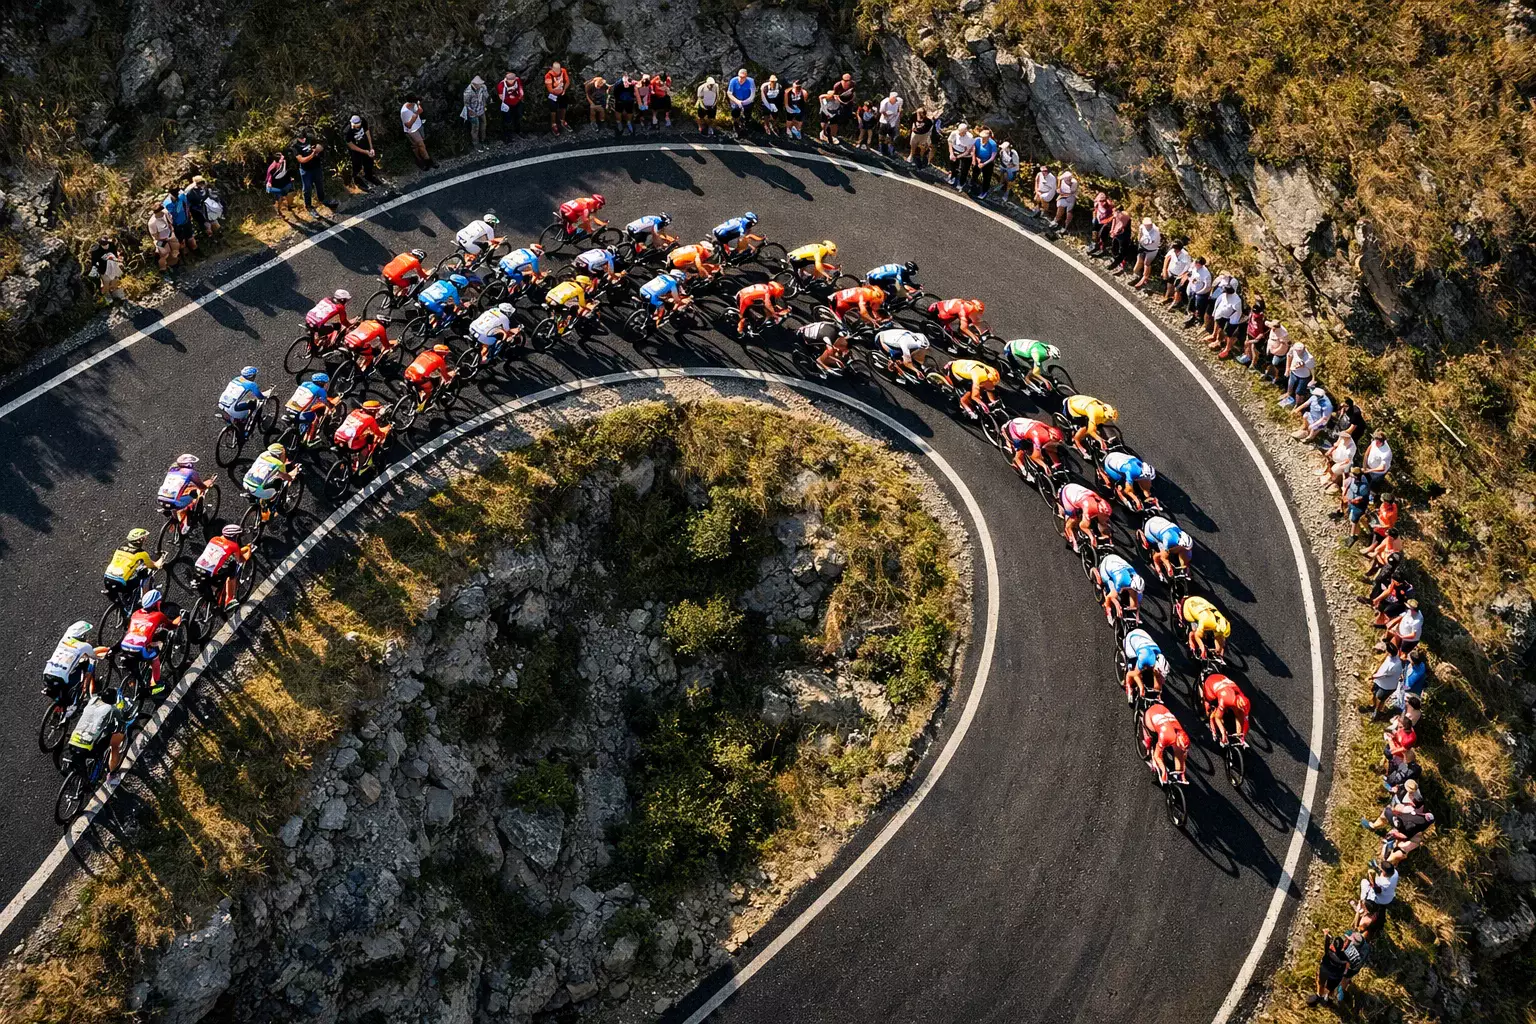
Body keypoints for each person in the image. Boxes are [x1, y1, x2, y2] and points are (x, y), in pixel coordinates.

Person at [66, 684, 134, 782]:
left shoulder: (92, 701)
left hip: (73, 741)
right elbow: (121, 721)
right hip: (87, 746)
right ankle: (111, 775)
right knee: (109, 747)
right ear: (113, 701)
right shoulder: (112, 709)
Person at [121, 589, 179, 697]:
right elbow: (171, 626)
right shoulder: (158, 615)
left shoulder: (135, 613)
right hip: (139, 649)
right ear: (155, 603)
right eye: (159, 601)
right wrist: (179, 619)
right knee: (155, 661)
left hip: (125, 645)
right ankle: (155, 686)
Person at [193, 524, 252, 609]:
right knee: (233, 569)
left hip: (198, 566)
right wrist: (248, 550)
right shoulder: (234, 545)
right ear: (234, 536)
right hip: (210, 572)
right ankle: (229, 600)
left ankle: (210, 595)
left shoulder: (214, 539)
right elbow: (240, 559)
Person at [1309, 930, 1369, 1007]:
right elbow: (1353, 967)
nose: (1347, 941)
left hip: (1335, 969)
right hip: (1342, 972)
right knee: (1335, 985)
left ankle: (1321, 996)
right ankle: (1331, 997)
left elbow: (1329, 950)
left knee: (1322, 981)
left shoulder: (1341, 952)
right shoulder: (1364, 950)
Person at [45, 621, 104, 698]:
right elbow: (94, 656)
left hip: (46, 674)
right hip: (60, 679)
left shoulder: (64, 640)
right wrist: (103, 656)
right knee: (80, 677)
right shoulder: (85, 646)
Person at [103, 528, 165, 599]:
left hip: (107, 579)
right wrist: (162, 557)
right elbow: (154, 566)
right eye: (144, 538)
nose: (145, 539)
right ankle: (145, 599)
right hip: (120, 584)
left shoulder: (120, 548)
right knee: (145, 576)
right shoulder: (140, 553)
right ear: (139, 541)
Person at [1141, 702, 1190, 784]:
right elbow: (1158, 756)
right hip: (1150, 715)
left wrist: (1181, 773)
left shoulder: (1182, 733)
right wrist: (1163, 771)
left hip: (1161, 711)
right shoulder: (1166, 737)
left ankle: (1177, 774)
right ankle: (1148, 745)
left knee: (1179, 752)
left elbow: (1182, 755)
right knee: (1153, 738)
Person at [1057, 482, 1113, 552]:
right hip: (1067, 495)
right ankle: (1070, 539)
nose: (1107, 518)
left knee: (1099, 522)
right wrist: (1091, 537)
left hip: (1078, 491)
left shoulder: (1102, 501)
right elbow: (1082, 526)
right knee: (1072, 521)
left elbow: (1093, 494)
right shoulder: (1088, 509)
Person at [1201, 672, 1251, 746]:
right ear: (1237, 703)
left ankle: (1237, 735)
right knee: (1211, 712)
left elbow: (1245, 720)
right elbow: (1218, 718)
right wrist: (1223, 732)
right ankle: (1211, 727)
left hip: (1222, 680)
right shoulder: (1226, 699)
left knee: (1239, 713)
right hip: (1211, 684)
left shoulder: (1245, 701)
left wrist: (1242, 736)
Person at [284, 372, 336, 443]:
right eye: (326, 383)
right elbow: (325, 401)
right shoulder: (320, 390)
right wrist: (331, 408)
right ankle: (311, 438)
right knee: (313, 417)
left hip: (289, 408)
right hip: (299, 414)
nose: (327, 385)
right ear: (321, 383)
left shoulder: (305, 383)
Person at [1093, 552, 1144, 623]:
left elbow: (1138, 601)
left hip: (1115, 560)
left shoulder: (1135, 576)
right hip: (1106, 567)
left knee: (1133, 593)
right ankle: (1107, 609)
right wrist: (1117, 605)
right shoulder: (1120, 581)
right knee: (1111, 594)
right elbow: (1112, 597)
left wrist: (1136, 613)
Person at [1138, 513, 1193, 580]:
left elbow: (1185, 549)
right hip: (1150, 530)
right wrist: (1168, 566)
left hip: (1160, 524)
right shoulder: (1168, 540)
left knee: (1180, 552)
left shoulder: (1181, 533)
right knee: (1160, 556)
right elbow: (1164, 556)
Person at [242, 443, 296, 509]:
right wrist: (291, 478)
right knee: (279, 481)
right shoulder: (279, 464)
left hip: (245, 483)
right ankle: (268, 500)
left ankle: (253, 497)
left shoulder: (262, 455)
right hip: (261, 492)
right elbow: (285, 477)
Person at [1121, 628, 1167, 704]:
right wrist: (1141, 686)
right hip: (1131, 639)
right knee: (1133, 669)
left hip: (1142, 638)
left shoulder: (1158, 656)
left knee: (1154, 675)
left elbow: (1158, 679)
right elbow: (1135, 674)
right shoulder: (1144, 658)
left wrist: (1157, 693)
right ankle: (1128, 686)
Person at [1181, 594, 1231, 661]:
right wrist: (1202, 649)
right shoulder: (1207, 622)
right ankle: (1191, 640)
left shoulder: (1221, 619)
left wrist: (1219, 650)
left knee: (1217, 635)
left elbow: (1219, 637)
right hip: (1188, 608)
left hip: (1198, 600)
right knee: (1195, 631)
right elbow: (1197, 636)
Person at [292, 128, 328, 215]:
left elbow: (319, 145)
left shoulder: (310, 137)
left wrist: (319, 148)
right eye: (301, 138)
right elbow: (301, 160)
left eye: (304, 137)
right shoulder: (295, 146)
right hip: (306, 170)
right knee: (307, 188)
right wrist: (313, 154)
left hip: (316, 166)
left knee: (319, 184)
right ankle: (308, 205)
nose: (303, 140)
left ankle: (322, 199)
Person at [343, 115, 382, 191]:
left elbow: (367, 132)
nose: (357, 127)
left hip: (364, 144)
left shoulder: (363, 121)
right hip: (355, 150)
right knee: (357, 165)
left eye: (359, 125)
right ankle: (357, 181)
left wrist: (371, 147)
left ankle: (369, 176)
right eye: (356, 126)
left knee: (369, 162)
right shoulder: (347, 131)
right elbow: (351, 146)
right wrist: (364, 152)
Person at [88, 234, 126, 302]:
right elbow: (94, 262)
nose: (105, 246)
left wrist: (118, 262)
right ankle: (107, 298)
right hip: (103, 269)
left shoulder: (112, 245)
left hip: (113, 267)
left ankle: (116, 295)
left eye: (106, 244)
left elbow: (115, 255)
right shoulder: (96, 250)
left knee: (115, 281)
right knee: (106, 283)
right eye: (103, 245)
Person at [1279, 338, 1316, 407]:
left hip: (1303, 377)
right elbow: (1289, 356)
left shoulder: (1309, 358)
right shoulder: (1293, 349)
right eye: (1297, 351)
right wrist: (1287, 369)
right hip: (1293, 373)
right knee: (1290, 385)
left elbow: (1312, 369)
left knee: (1299, 392)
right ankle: (1288, 394)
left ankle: (1297, 404)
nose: (1298, 352)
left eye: (1300, 351)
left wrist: (1313, 379)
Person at [163, 186, 198, 256]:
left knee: (191, 238)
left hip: (186, 221)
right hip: (177, 225)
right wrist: (179, 201)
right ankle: (186, 257)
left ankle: (197, 253)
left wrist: (188, 215)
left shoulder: (181, 195)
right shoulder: (167, 203)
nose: (177, 194)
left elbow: (187, 205)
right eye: (175, 194)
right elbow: (176, 212)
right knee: (182, 242)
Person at [400, 96, 432, 169]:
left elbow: (420, 110)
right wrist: (415, 115)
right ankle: (428, 161)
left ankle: (423, 160)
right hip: (411, 130)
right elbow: (408, 125)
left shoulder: (414, 105)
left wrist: (418, 106)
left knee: (419, 146)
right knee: (421, 145)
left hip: (418, 126)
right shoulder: (405, 112)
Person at [1128, 217, 1160, 283]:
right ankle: (1136, 274)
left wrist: (1142, 242)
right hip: (1142, 246)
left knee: (1147, 263)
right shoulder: (1142, 226)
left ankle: (1145, 276)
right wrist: (1139, 240)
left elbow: (1150, 242)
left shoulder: (1155, 231)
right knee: (1139, 260)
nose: (1148, 226)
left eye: (1149, 224)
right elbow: (1140, 234)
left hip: (1152, 249)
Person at [461, 75, 490, 149]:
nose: (481, 85)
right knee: (475, 128)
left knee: (484, 124)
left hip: (481, 109)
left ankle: (483, 139)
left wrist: (486, 102)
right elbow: (466, 104)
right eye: (479, 84)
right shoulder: (468, 92)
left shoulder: (483, 87)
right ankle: (475, 143)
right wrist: (471, 112)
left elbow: (486, 96)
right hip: (473, 112)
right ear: (475, 84)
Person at [147, 203, 179, 271]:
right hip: (160, 240)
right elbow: (155, 236)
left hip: (169, 234)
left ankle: (176, 265)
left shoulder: (165, 212)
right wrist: (165, 242)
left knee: (176, 249)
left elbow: (170, 223)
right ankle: (166, 269)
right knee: (165, 254)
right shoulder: (152, 223)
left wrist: (171, 233)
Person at [1161, 240, 1192, 304]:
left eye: (1176, 249)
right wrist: (1165, 270)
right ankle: (1166, 298)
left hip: (1179, 275)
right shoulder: (1172, 251)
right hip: (1171, 272)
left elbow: (1188, 266)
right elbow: (1167, 258)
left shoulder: (1186, 255)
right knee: (1169, 286)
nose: (1174, 250)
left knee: (1176, 289)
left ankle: (1173, 300)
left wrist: (1182, 274)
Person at [727, 68, 756, 137]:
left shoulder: (751, 81)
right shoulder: (733, 81)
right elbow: (729, 93)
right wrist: (737, 101)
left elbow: (752, 95)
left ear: (746, 77)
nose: (741, 79)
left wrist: (744, 102)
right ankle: (736, 124)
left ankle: (745, 124)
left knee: (747, 114)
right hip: (736, 101)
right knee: (735, 113)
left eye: (743, 77)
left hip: (747, 101)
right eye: (740, 77)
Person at [946, 123, 976, 190]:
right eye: (959, 132)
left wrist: (958, 156)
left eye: (962, 132)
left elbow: (968, 151)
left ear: (966, 131)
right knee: (953, 165)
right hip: (956, 150)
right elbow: (950, 142)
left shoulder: (970, 137)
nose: (960, 134)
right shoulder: (954, 133)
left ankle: (962, 182)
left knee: (964, 169)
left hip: (966, 154)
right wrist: (951, 154)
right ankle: (953, 175)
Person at [970, 128, 998, 198]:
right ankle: (972, 187)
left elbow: (993, 157)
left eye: (984, 137)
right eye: (981, 137)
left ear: (988, 137)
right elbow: (973, 150)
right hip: (978, 160)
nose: (982, 139)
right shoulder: (977, 140)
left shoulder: (993, 144)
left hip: (988, 162)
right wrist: (975, 159)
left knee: (986, 178)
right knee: (975, 174)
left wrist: (984, 164)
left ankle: (984, 192)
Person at [545, 63, 572, 134]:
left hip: (562, 92)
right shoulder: (548, 76)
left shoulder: (563, 71)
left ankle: (562, 120)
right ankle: (553, 124)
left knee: (564, 105)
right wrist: (557, 90)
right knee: (553, 109)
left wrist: (564, 90)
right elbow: (550, 89)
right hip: (553, 95)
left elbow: (567, 81)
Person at [497, 70, 525, 137]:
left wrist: (519, 96)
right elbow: (501, 97)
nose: (511, 81)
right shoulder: (501, 85)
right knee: (507, 119)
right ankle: (507, 134)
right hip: (507, 104)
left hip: (517, 102)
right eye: (509, 80)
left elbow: (520, 89)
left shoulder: (517, 80)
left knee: (518, 116)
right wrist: (511, 97)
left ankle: (518, 131)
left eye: (513, 80)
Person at [877, 91, 903, 156]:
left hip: (893, 122)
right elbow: (881, 111)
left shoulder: (898, 101)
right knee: (882, 136)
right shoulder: (885, 102)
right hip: (884, 121)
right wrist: (887, 115)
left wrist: (899, 112)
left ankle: (890, 152)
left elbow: (900, 111)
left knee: (891, 138)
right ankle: (881, 150)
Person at [1054, 166, 1079, 230]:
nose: (1068, 180)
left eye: (1069, 179)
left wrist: (1061, 195)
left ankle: (1066, 226)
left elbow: (1070, 193)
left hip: (1070, 198)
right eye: (1066, 179)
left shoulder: (1074, 183)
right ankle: (1056, 220)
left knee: (1069, 211)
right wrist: (1058, 188)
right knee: (1060, 207)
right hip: (1063, 196)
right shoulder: (1062, 179)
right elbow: (1059, 179)